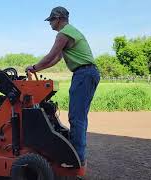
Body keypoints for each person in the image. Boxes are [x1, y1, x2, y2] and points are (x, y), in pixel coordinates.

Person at [26, 6, 100, 166]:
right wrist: (37, 68)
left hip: (84, 73)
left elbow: (50, 56)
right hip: (87, 73)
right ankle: (77, 154)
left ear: (58, 18)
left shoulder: (64, 33)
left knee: (77, 117)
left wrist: (33, 68)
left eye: (51, 20)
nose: (49, 23)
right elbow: (56, 59)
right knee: (79, 116)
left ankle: (76, 159)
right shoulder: (71, 32)